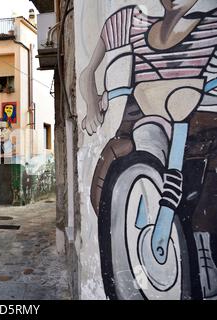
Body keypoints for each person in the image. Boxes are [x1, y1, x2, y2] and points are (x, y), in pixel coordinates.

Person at [80, 0, 217, 298]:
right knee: (139, 142)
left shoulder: (211, 26)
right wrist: (92, 103)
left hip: (198, 126)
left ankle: (202, 252)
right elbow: (89, 70)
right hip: (146, 121)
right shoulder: (131, 22)